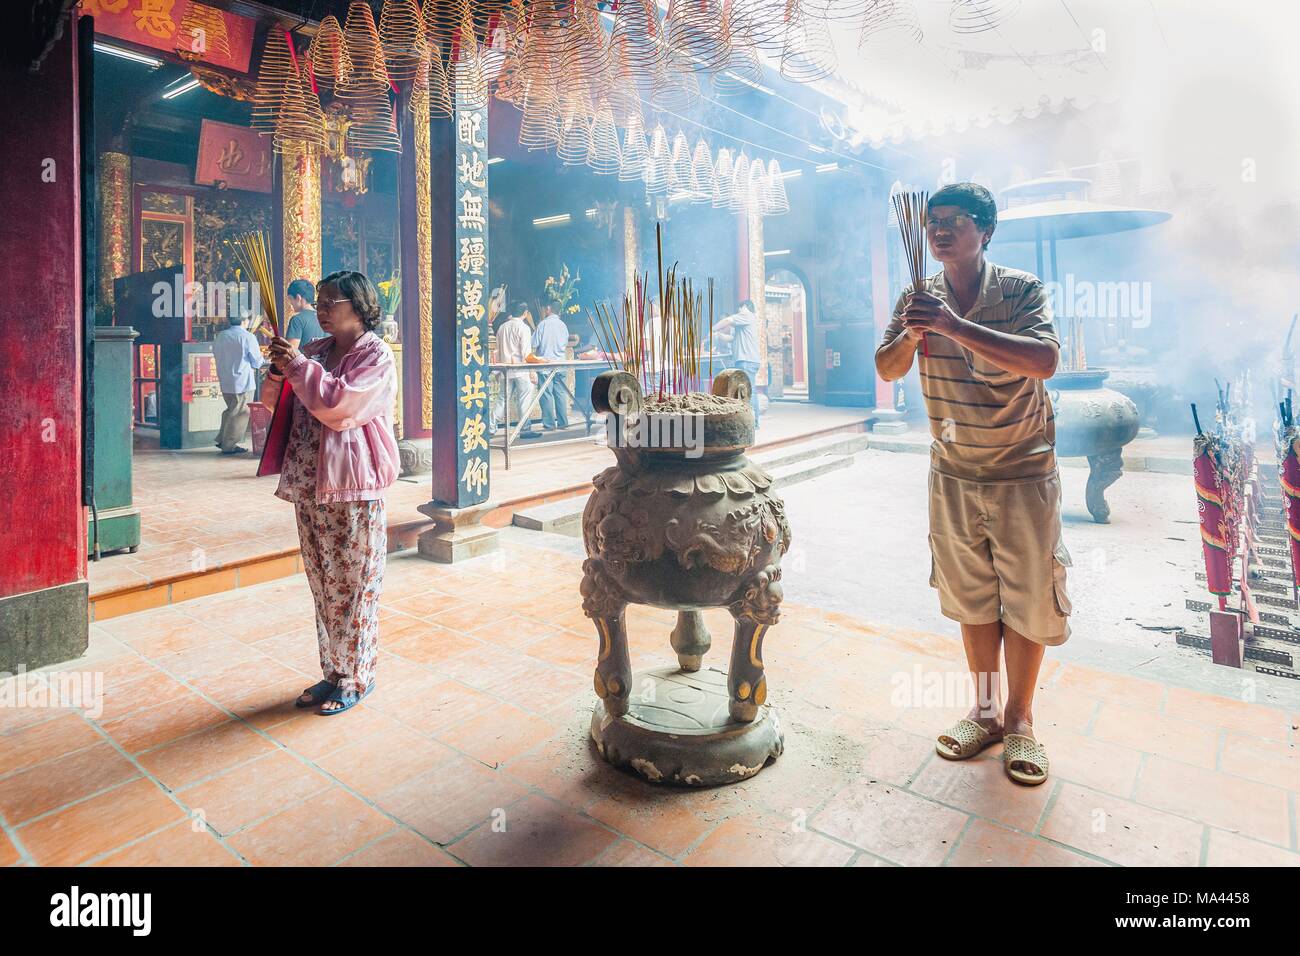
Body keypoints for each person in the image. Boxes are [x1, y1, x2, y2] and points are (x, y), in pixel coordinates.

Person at [875, 182, 1068, 787]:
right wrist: (911, 333)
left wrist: (954, 326)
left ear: (985, 231)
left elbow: (1043, 361)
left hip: (1021, 469)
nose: (940, 230)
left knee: (1030, 598)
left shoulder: (1020, 290)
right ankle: (984, 713)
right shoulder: (918, 295)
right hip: (954, 470)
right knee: (973, 597)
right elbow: (885, 368)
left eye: (955, 220)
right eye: (933, 220)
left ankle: (1021, 720)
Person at [265, 271, 399, 715]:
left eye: (330, 302)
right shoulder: (317, 350)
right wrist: (277, 369)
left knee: (356, 584)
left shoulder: (375, 355)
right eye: (319, 302)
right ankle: (334, 672)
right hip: (310, 483)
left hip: (352, 486)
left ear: (358, 307)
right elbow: (275, 401)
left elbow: (340, 408)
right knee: (324, 583)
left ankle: (358, 675)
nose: (320, 309)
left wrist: (298, 368)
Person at [212, 311, 265, 454]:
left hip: (225, 379)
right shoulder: (248, 337)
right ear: (245, 321)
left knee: (232, 409)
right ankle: (229, 445)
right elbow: (257, 361)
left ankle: (223, 439)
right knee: (241, 412)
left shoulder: (221, 336)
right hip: (242, 381)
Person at [493, 300, 540, 439]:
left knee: (502, 399)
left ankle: (490, 427)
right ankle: (524, 430)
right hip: (521, 370)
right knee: (524, 400)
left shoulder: (502, 327)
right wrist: (532, 371)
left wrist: (497, 371)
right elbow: (526, 354)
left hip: (505, 369)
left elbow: (498, 350)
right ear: (525, 313)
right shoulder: (523, 328)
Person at [714, 299, 761, 427]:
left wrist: (712, 329)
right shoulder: (743, 324)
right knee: (746, 390)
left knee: (749, 391)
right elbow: (731, 338)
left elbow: (727, 320)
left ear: (745, 307)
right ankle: (749, 421)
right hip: (746, 360)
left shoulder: (746, 314)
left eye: (739, 309)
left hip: (747, 360)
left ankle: (753, 422)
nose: (738, 311)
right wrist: (719, 335)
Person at [532, 300, 571, 430]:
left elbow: (533, 343)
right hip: (560, 363)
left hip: (545, 365)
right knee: (560, 393)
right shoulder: (563, 325)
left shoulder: (543, 325)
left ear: (548, 308)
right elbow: (565, 343)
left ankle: (549, 424)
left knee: (546, 394)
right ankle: (563, 422)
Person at [285, 278, 326, 347]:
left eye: (290, 299)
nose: (290, 303)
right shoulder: (325, 317)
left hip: (305, 358)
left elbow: (290, 351)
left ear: (298, 298)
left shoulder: (297, 319)